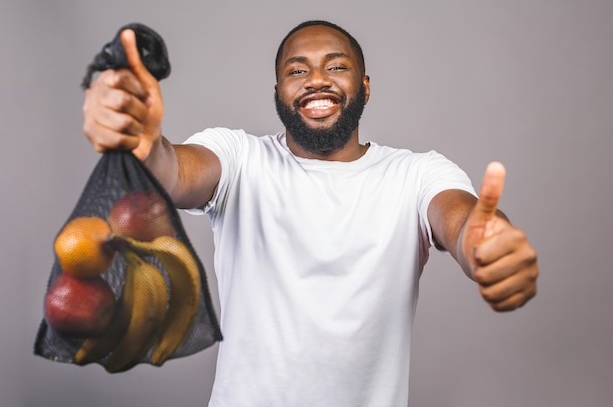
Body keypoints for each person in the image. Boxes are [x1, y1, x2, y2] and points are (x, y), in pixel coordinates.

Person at [83, 20, 538, 407]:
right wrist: (140, 144)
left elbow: (461, 221)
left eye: (336, 66)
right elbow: (173, 171)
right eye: (296, 70)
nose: (316, 79)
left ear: (364, 86)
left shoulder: (417, 174)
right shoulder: (240, 157)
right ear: (278, 91)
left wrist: (487, 242)